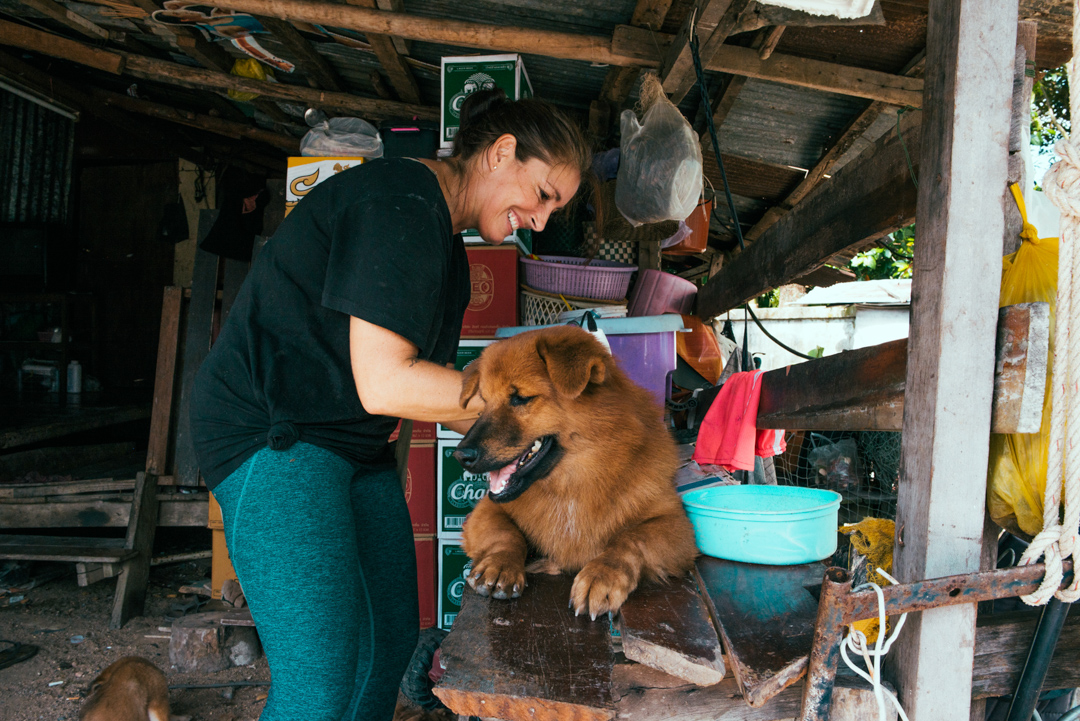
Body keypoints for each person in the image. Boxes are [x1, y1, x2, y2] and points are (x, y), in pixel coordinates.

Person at [188, 89, 594, 721]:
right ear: (503, 153)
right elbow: (386, 382)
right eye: (543, 194)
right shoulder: (398, 202)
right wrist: (539, 413)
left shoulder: (448, 250)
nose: (540, 220)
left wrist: (408, 458)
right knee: (319, 679)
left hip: (356, 446)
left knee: (387, 646)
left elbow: (418, 395)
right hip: (276, 434)